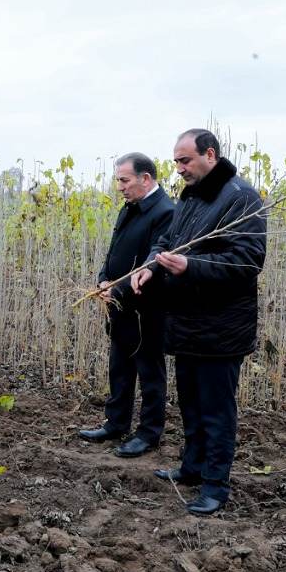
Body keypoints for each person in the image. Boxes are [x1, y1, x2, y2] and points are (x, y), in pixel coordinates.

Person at [131, 129, 266, 515]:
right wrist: (151, 265)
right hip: (187, 321)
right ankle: (192, 468)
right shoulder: (191, 195)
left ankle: (215, 485)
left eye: (185, 160)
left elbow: (247, 261)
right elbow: (167, 241)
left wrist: (190, 266)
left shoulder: (241, 197)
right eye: (176, 161)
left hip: (221, 326)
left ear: (210, 154)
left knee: (216, 410)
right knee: (190, 401)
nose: (179, 168)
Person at [78, 153, 175, 457]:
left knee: (149, 373)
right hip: (119, 306)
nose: (119, 187)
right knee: (119, 367)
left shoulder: (165, 212)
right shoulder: (131, 208)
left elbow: (153, 264)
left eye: (124, 180)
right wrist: (103, 279)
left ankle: (148, 433)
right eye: (118, 180)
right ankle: (116, 423)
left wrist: (117, 290)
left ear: (145, 178)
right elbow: (115, 252)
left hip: (147, 310)